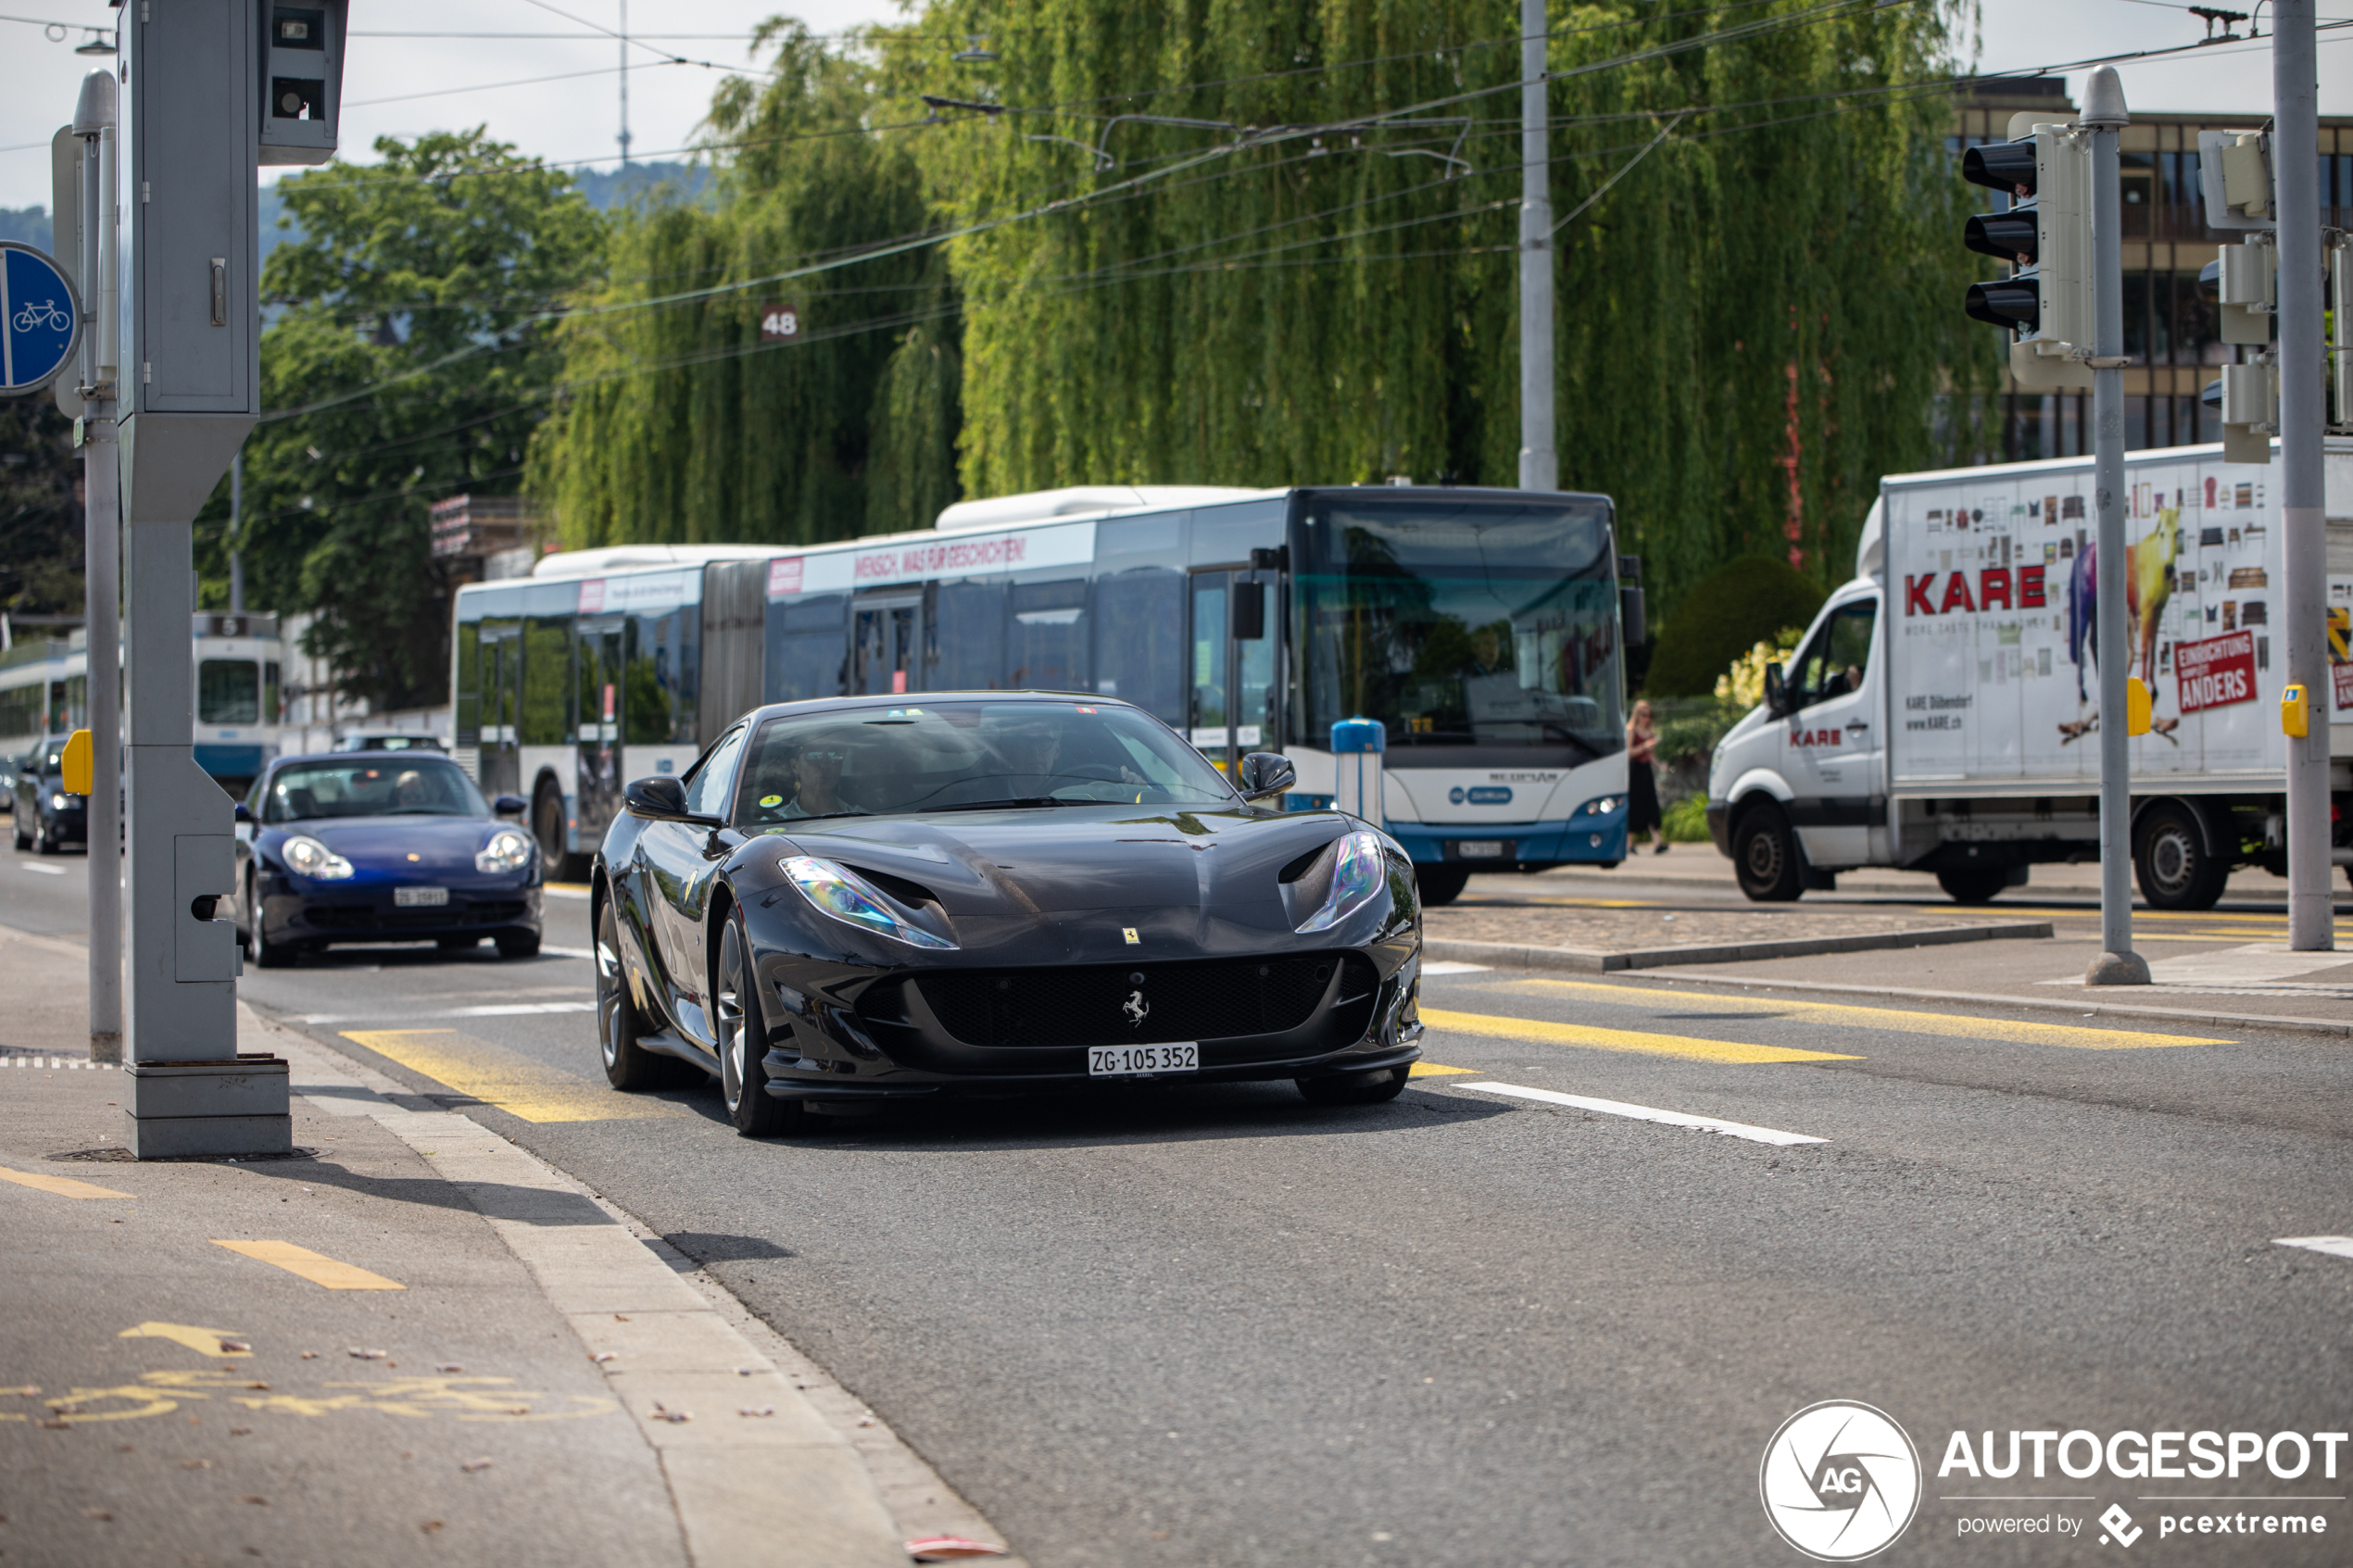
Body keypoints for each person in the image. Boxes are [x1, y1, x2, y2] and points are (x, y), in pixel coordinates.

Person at [1626, 699, 1666, 854]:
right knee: (1635, 804)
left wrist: (1659, 765)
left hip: (1646, 770)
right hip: (1635, 770)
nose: (1647, 718)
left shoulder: (1650, 732)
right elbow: (1629, 753)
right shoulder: (1631, 730)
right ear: (1637, 715)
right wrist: (1644, 746)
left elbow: (1650, 755)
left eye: (1649, 715)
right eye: (1644, 715)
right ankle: (1630, 844)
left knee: (1651, 803)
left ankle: (1658, 843)